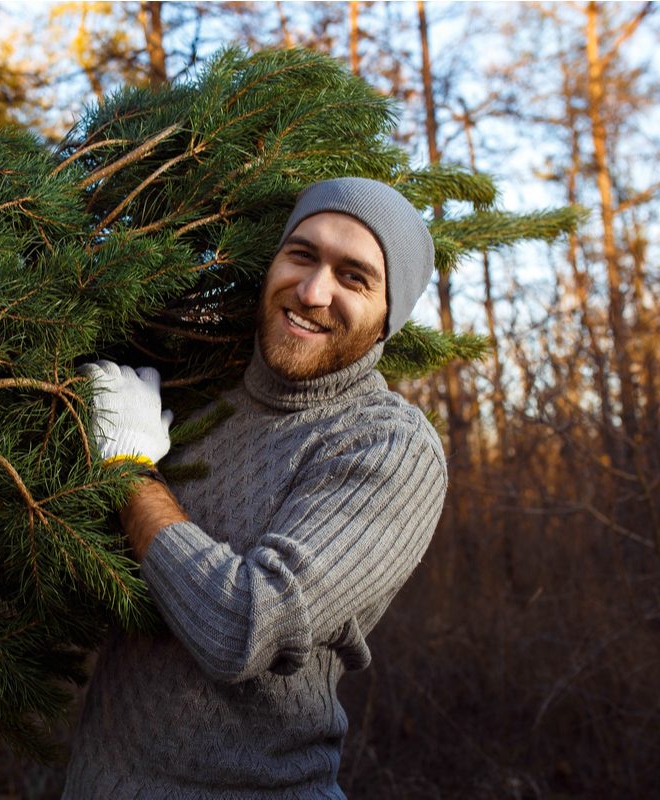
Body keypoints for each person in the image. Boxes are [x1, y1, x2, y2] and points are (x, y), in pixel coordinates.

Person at [65, 177, 448, 799]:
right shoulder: (196, 394)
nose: (313, 290)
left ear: (387, 321)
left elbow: (245, 626)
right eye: (302, 254)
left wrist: (131, 470)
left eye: (355, 278)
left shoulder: (385, 445)